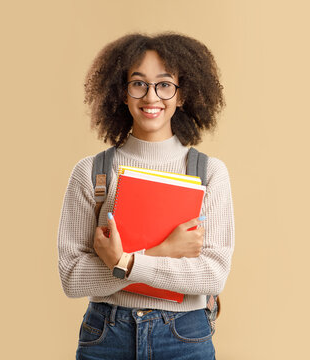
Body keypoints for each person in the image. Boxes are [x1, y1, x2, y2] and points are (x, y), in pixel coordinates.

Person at [57, 32, 234, 360]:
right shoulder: (91, 172)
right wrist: (164, 251)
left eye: (165, 84)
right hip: (106, 335)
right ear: (121, 93)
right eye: (138, 83)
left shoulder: (210, 173)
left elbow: (213, 273)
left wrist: (123, 261)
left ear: (182, 95)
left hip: (184, 336)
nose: (151, 96)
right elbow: (72, 277)